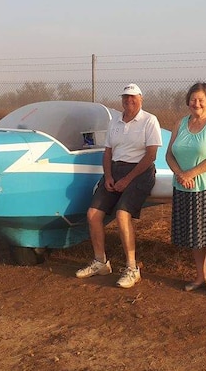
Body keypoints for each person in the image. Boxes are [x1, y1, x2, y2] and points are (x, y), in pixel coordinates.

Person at [75, 83, 163, 288]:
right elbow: (108, 152)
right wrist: (108, 176)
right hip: (115, 170)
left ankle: (132, 268)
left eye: (133, 97)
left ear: (140, 99)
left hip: (140, 172)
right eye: (125, 98)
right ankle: (100, 262)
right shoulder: (115, 121)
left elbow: (151, 155)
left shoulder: (150, 120)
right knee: (93, 214)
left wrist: (128, 179)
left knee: (123, 215)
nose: (128, 101)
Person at [165, 82, 206, 299]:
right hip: (184, 187)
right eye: (193, 99)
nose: (197, 103)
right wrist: (181, 174)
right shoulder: (180, 123)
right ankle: (201, 277)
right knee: (195, 235)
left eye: (201, 99)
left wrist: (191, 173)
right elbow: (169, 155)